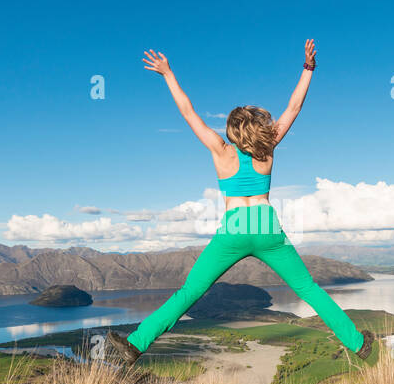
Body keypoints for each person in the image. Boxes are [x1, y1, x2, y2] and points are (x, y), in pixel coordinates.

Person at [107, 40, 374, 365]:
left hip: (234, 228)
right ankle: (358, 343)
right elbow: (293, 108)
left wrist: (167, 73)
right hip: (266, 227)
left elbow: (188, 112)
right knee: (308, 289)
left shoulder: (221, 151)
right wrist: (307, 69)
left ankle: (135, 344)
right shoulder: (267, 147)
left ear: (232, 132)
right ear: (256, 126)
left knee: (190, 292)